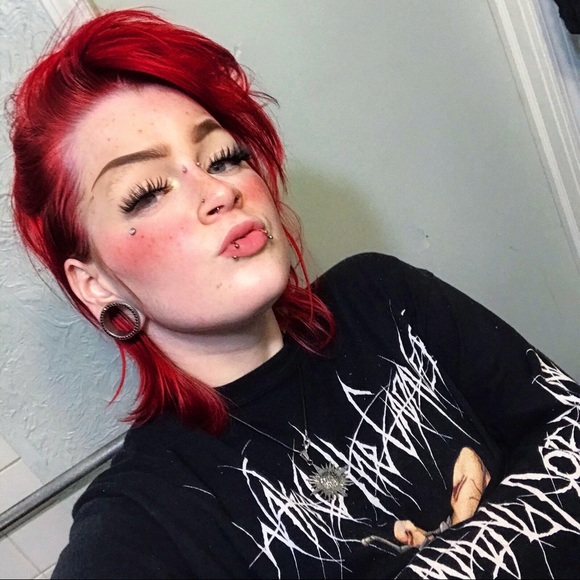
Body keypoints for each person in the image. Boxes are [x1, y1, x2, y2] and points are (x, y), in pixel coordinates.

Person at [8, 8, 580, 579]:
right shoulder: (146, 515)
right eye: (148, 191)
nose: (219, 191)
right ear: (97, 284)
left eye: (225, 157)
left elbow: (566, 429)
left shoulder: (382, 301)